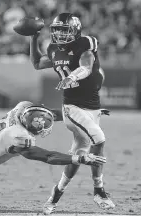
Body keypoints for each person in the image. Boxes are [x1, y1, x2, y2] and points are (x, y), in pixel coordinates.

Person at [30, 13, 115, 214]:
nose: (59, 33)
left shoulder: (85, 43)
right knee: (99, 139)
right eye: (56, 29)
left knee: (77, 156)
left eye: (64, 29)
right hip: (72, 108)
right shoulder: (52, 49)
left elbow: (86, 66)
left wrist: (71, 77)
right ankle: (99, 190)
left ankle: (54, 196)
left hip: (92, 108)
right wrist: (33, 39)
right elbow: (37, 64)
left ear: (75, 30)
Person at [0, 101, 106, 208]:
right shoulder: (18, 137)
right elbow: (48, 156)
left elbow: (47, 114)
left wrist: (85, 117)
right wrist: (79, 158)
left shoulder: (22, 109)